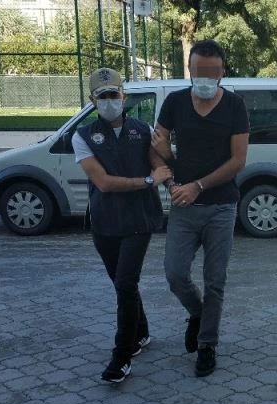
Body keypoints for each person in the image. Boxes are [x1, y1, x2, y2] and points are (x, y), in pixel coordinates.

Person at [150, 40, 249, 378]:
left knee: (215, 281)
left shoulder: (234, 106)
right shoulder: (175, 102)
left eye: (212, 71)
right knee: (175, 274)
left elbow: (238, 160)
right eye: (199, 71)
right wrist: (171, 184)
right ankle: (198, 313)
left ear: (222, 72)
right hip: (184, 207)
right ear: (190, 70)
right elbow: (156, 147)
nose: (205, 78)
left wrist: (198, 186)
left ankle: (207, 345)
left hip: (221, 207)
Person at [73, 68, 171, 383]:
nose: (109, 101)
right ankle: (140, 332)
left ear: (123, 96)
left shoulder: (142, 130)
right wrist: (147, 181)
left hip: (139, 220)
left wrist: (166, 173)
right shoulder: (83, 136)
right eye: (102, 96)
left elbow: (159, 163)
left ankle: (121, 356)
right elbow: (102, 182)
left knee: (126, 283)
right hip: (104, 222)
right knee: (122, 283)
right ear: (92, 100)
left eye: (113, 94)